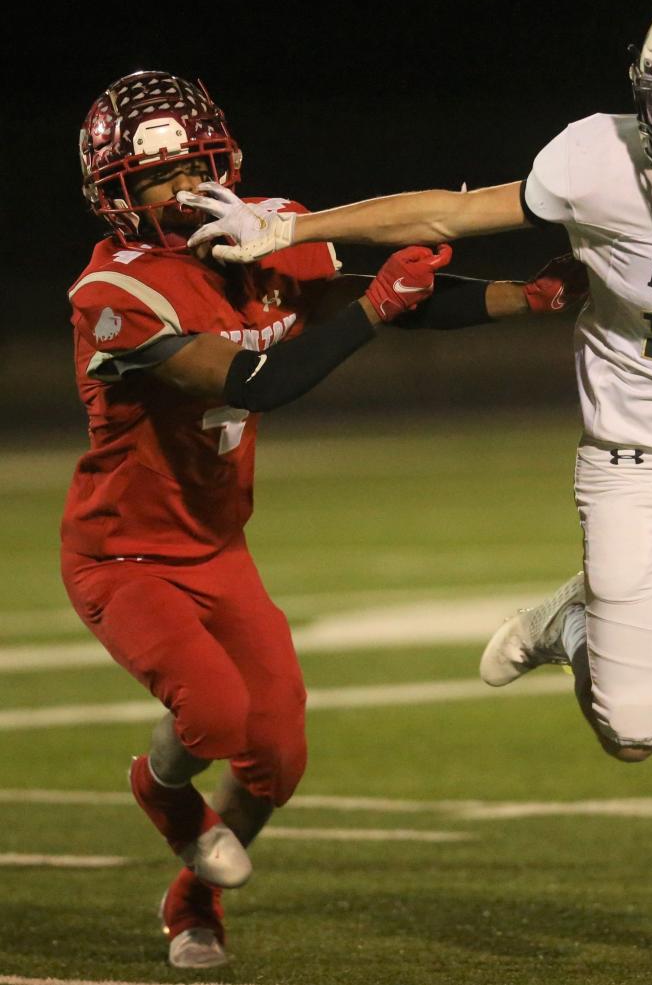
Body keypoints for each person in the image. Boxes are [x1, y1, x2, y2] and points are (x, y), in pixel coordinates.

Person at [184, 0, 652, 979]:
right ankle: (577, 622)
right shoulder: (602, 160)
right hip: (628, 470)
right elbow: (451, 212)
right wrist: (288, 231)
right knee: (637, 737)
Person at [63, 70, 587, 970]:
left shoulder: (260, 226)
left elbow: (400, 293)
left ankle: (193, 896)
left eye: (197, 168)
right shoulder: (115, 293)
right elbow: (263, 381)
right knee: (216, 709)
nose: (184, 192)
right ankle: (161, 789)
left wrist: (523, 297)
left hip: (217, 544)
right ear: (117, 196)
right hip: (125, 554)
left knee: (279, 755)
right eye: (158, 179)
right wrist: (379, 308)